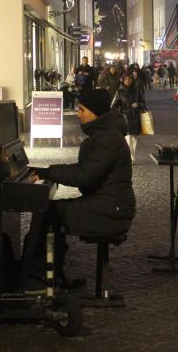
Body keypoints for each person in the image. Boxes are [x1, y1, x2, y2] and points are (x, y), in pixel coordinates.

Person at [26, 90, 135, 289]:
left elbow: (84, 175)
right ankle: (48, 275)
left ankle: (38, 278)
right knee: (51, 212)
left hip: (112, 209)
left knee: (49, 213)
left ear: (95, 113)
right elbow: (85, 173)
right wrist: (48, 173)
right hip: (109, 204)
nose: (78, 114)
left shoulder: (107, 138)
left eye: (82, 109)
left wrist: (48, 173)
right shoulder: (104, 133)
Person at [112, 74, 146, 162]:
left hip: (135, 116)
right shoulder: (119, 92)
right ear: (123, 80)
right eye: (126, 79)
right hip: (125, 116)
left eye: (129, 79)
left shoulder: (137, 90)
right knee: (128, 137)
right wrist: (117, 114)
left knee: (134, 138)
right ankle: (130, 157)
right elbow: (114, 105)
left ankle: (132, 156)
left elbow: (143, 102)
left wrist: (138, 104)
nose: (128, 80)